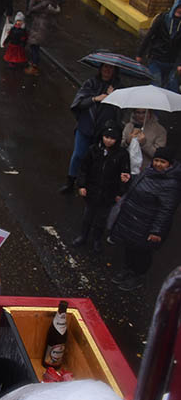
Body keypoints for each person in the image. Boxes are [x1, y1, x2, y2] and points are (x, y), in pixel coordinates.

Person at [109, 148, 180, 291]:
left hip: (147, 224)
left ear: (170, 164)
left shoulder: (172, 184)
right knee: (129, 247)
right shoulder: (148, 172)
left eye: (163, 162)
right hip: (132, 219)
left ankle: (137, 276)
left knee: (142, 253)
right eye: (156, 160)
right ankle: (127, 270)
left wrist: (157, 231)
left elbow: (166, 211)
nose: (158, 164)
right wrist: (130, 180)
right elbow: (139, 187)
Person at [62, 63, 122, 193]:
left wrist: (113, 97)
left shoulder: (118, 88)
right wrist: (95, 98)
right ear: (100, 68)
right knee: (78, 155)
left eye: (110, 68)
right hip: (86, 127)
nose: (107, 70)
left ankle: (86, 184)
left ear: (115, 71)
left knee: (95, 158)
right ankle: (70, 182)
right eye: (105, 67)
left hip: (103, 131)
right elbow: (79, 103)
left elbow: (119, 111)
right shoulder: (90, 83)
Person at [74, 122, 130, 253]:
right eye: (106, 137)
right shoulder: (93, 150)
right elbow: (84, 168)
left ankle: (97, 240)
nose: (108, 141)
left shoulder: (122, 155)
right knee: (88, 215)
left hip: (108, 193)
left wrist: (120, 192)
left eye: (112, 138)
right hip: (92, 190)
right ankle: (83, 236)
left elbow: (125, 175)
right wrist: (81, 185)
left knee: (101, 219)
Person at [136, 0, 181, 93]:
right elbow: (149, 36)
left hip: (172, 62)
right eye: (179, 7)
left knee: (170, 87)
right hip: (156, 58)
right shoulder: (162, 19)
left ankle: (161, 107)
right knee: (156, 84)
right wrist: (140, 54)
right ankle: (150, 105)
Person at [24, 0, 60, 75]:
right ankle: (33, 64)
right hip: (43, 27)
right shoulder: (51, 0)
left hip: (39, 27)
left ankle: (34, 66)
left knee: (34, 47)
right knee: (35, 47)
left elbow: (31, 9)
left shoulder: (44, 3)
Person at [122, 109, 168, 173]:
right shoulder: (128, 126)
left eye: (144, 113)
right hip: (127, 168)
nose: (141, 116)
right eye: (138, 112)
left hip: (147, 170)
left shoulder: (159, 130)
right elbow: (119, 146)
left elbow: (158, 155)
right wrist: (127, 142)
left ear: (150, 113)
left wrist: (144, 144)